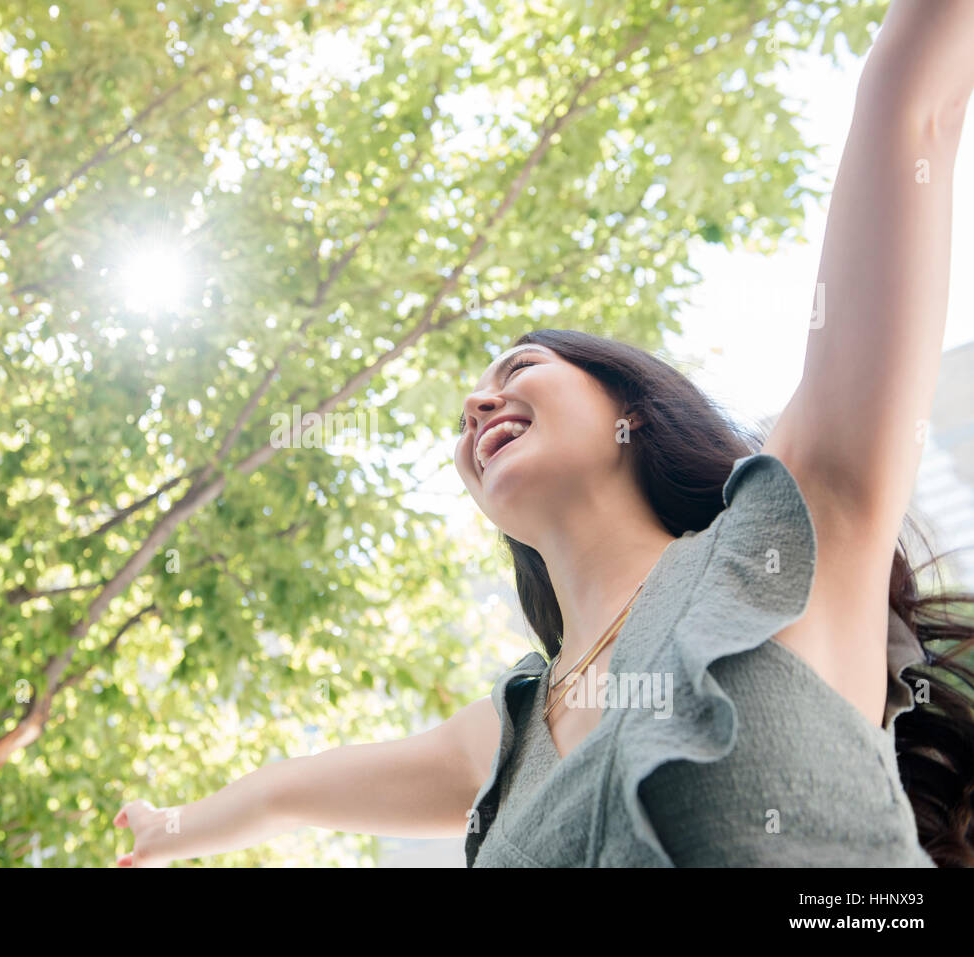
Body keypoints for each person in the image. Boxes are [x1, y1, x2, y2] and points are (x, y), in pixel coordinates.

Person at [114, 0, 974, 866]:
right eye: (465, 415)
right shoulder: (500, 741)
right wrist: (175, 825)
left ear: (630, 408)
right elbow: (288, 790)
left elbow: (913, 109)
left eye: (516, 371)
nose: (479, 408)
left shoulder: (791, 531)